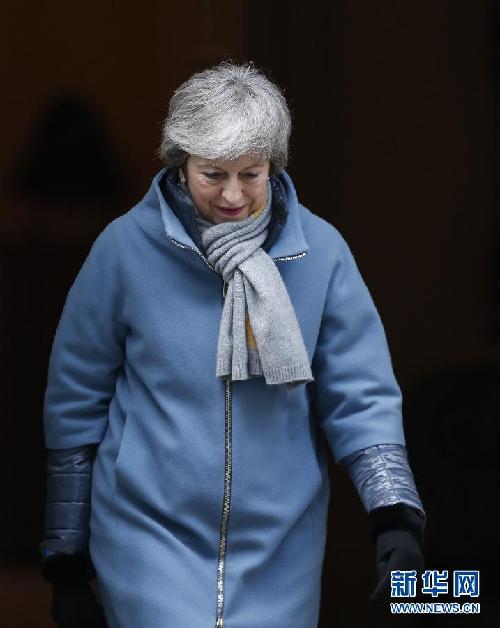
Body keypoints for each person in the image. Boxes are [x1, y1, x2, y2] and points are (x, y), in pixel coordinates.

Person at [40, 62, 425, 628]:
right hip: (148, 535)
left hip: (281, 544)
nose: (233, 195)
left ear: (274, 165)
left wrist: (394, 518)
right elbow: (76, 401)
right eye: (212, 174)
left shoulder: (322, 252)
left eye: (252, 173)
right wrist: (66, 557)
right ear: (180, 163)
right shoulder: (123, 249)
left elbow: (360, 395)